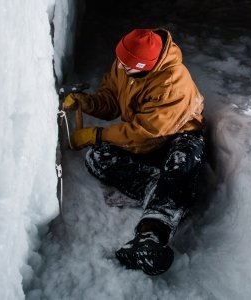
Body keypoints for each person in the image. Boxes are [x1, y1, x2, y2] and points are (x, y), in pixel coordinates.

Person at [61, 28, 205, 275]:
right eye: (120, 62)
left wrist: (96, 134)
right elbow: (111, 99)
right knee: (98, 158)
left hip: (178, 137)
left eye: (128, 67)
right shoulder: (126, 63)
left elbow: (144, 136)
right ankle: (163, 191)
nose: (121, 68)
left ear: (146, 67)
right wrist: (88, 103)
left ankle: (150, 238)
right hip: (146, 137)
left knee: (180, 165)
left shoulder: (172, 84)